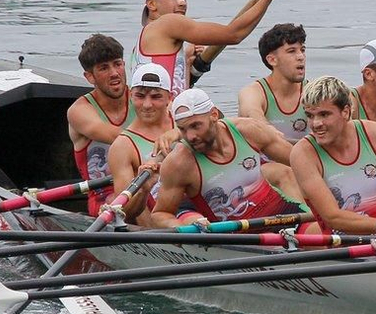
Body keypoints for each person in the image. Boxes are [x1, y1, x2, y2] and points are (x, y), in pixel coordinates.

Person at [146, 88, 303, 228]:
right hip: (237, 234)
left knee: (320, 233)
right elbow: (160, 214)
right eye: (182, 129)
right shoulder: (178, 163)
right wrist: (178, 229)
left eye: (195, 126)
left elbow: (301, 164)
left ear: (214, 115)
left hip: (283, 214)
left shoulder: (247, 130)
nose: (190, 136)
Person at [289, 76, 376, 239]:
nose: (316, 124)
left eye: (324, 115)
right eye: (310, 116)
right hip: (342, 236)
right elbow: (333, 217)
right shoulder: (303, 153)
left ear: (345, 111)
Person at [135, 0, 289, 94]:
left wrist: (187, 62)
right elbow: (234, 34)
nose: (182, 2)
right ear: (151, 4)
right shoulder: (169, 22)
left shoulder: (141, 42)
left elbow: (176, 88)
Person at [66, 34, 138, 216]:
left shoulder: (142, 99)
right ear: (90, 77)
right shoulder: (80, 111)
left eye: (117, 64)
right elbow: (120, 139)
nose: (114, 73)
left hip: (148, 183)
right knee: (140, 196)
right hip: (104, 196)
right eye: (104, 68)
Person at [105, 63, 180, 223]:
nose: (147, 105)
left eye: (155, 96)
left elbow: (221, 126)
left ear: (170, 97)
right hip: (159, 228)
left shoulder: (184, 121)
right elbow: (124, 212)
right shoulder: (122, 146)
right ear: (130, 96)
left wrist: (181, 132)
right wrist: (143, 190)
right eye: (140, 96)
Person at [236, 22, 308, 142]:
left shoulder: (313, 92)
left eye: (302, 50)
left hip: (306, 156)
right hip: (269, 157)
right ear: (272, 60)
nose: (301, 56)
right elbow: (252, 114)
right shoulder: (253, 92)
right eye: (291, 51)